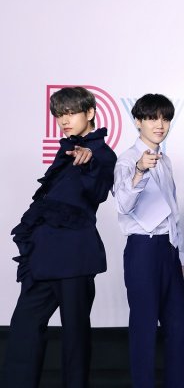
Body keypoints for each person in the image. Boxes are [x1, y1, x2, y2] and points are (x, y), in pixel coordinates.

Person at [1, 87, 117, 388]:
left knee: (75, 337)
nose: (64, 120)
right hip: (43, 256)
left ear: (90, 113)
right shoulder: (66, 149)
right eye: (59, 115)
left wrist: (90, 162)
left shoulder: (102, 154)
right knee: (24, 329)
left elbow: (98, 192)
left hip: (75, 259)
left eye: (71, 113)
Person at [112, 94, 184, 388]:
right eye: (152, 118)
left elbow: (173, 211)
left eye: (165, 118)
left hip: (168, 248)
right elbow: (123, 204)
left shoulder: (165, 160)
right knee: (144, 327)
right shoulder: (127, 159)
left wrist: (179, 254)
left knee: (179, 326)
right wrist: (139, 170)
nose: (160, 124)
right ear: (138, 122)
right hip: (142, 248)